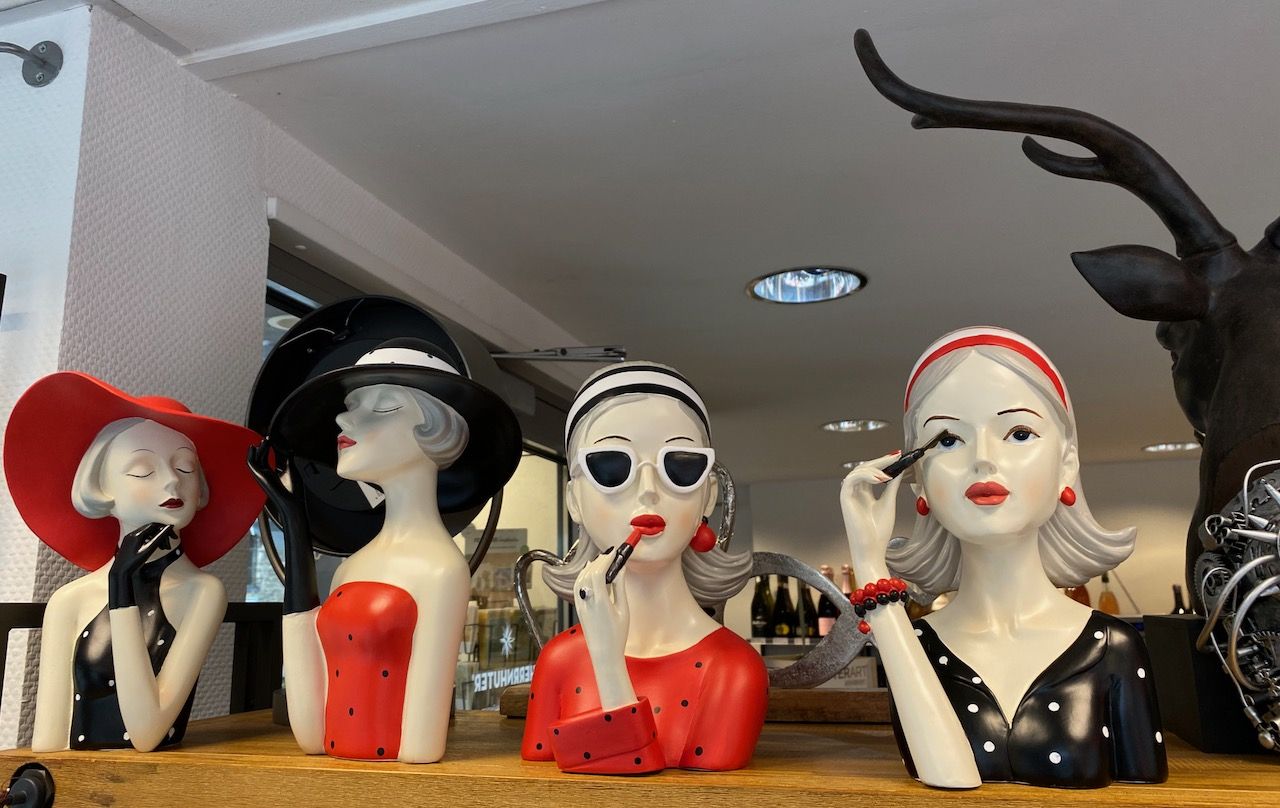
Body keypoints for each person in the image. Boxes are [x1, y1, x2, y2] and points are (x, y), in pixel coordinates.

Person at [841, 326, 1167, 789]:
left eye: (1018, 433)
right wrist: (869, 562)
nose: (983, 460)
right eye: (947, 440)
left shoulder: (1114, 646)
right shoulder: (912, 646)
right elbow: (948, 778)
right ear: (919, 482)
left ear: (1067, 464)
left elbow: (1143, 793)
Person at [249, 337, 520, 763]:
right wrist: (295, 527)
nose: (343, 418)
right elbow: (311, 736)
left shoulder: (440, 571)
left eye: (382, 407)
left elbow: (421, 747)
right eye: (350, 406)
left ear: (436, 431)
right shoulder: (351, 567)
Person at [522, 362, 767, 774]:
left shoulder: (735, 669)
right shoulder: (558, 659)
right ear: (574, 500)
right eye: (612, 466)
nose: (649, 490)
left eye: (681, 466)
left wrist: (607, 661)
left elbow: (654, 791)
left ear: (707, 497)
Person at [3, 372, 264, 752]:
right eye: (143, 470)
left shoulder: (203, 592)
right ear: (100, 487)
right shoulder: (70, 600)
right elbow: (48, 743)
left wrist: (121, 590)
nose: (172, 482)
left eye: (186, 468)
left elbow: (146, 733)